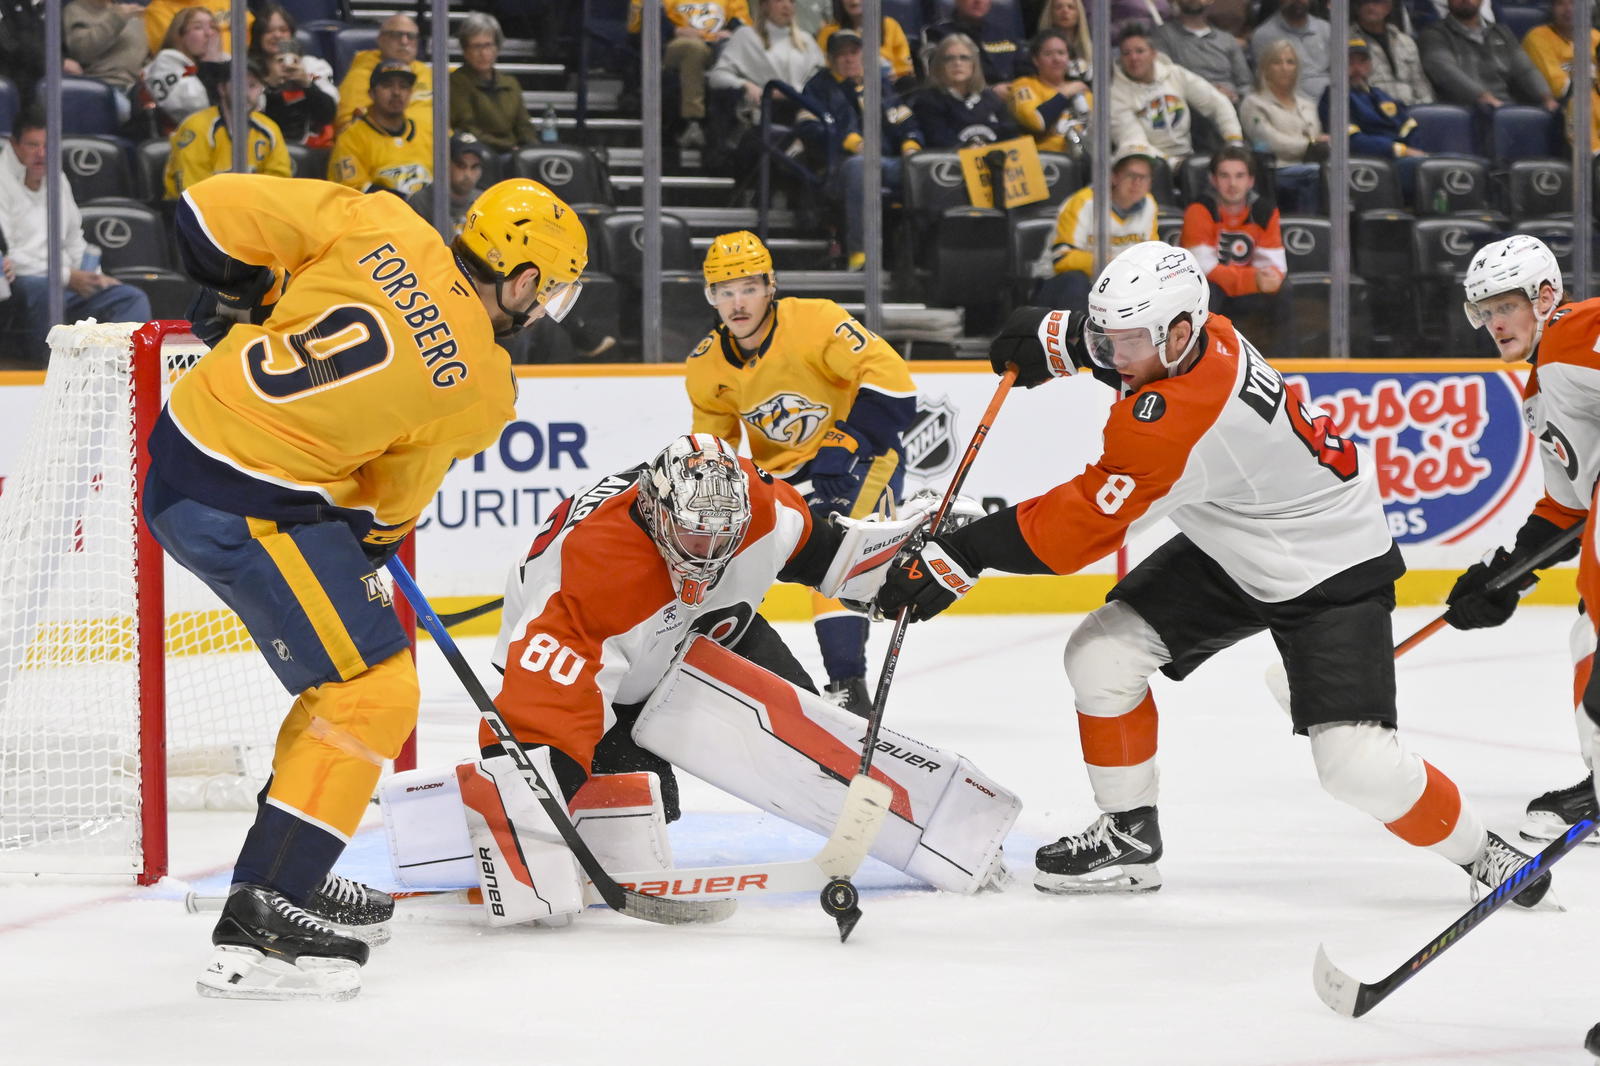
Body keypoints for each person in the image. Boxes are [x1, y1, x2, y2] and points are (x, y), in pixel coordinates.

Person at [870, 240, 1557, 910]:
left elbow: (1080, 528)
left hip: (1328, 564)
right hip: (1241, 539)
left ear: (1177, 332)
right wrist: (1069, 340)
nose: (1118, 356)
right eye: (1111, 338)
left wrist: (963, 551)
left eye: (1127, 342)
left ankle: (1483, 853)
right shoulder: (1208, 332)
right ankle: (1128, 837)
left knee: (1357, 766)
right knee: (1103, 656)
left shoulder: (1175, 424)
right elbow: (1133, 359)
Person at [147, 173, 586, 999]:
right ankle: (265, 910)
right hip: (245, 503)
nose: (544, 307)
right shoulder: (486, 388)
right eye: (550, 289)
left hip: (187, 445)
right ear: (523, 280)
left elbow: (204, 212)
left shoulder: (381, 220)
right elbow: (387, 510)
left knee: (340, 678)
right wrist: (361, 544)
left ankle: (288, 871)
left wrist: (253, 300)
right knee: (374, 686)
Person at [684, 231, 916, 714]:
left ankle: (848, 688)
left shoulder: (816, 321)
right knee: (725, 570)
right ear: (710, 298)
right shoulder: (706, 364)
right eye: (723, 292)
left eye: (747, 287)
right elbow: (715, 453)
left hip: (859, 460)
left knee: (837, 558)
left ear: (771, 286)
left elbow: (893, 384)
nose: (737, 302)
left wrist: (847, 438)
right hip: (784, 479)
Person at [1447, 234, 1599, 846]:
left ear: (1543, 297)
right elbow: (1566, 507)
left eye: (1503, 307)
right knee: (1588, 629)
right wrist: (1505, 574)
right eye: (1483, 313)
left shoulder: (1571, 331)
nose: (1493, 325)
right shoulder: (1543, 389)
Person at [0, 108, 151, 366]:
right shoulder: (2, 182)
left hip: (66, 281)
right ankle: (51, 371)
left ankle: (118, 372)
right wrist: (68, 277)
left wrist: (94, 276)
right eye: (32, 145)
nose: (41, 153)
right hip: (27, 285)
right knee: (44, 291)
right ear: (14, 145)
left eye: (48, 145)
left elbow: (73, 238)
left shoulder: (58, 179)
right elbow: (9, 258)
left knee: (130, 297)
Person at [797, 31, 922, 270]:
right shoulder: (817, 87)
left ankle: (919, 256)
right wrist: (850, 142)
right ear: (830, 59)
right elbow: (808, 128)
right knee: (860, 167)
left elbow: (905, 121)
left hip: (887, 161)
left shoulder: (879, 85)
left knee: (923, 167)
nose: (848, 59)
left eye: (853, 53)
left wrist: (910, 145)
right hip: (839, 166)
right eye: (841, 54)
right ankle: (860, 255)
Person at [1180, 146, 1292, 355]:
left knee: (1283, 289)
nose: (1232, 184)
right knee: (1206, 289)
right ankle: (1200, 359)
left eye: (1239, 176)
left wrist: (1271, 278)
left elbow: (1275, 266)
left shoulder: (1265, 211)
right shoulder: (1199, 210)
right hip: (1214, 291)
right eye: (1225, 176)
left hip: (1244, 291)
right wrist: (1253, 279)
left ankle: (1282, 361)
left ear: (1250, 181)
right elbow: (1202, 268)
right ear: (1213, 179)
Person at [1035, 141, 1159, 308]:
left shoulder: (1150, 205)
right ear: (1114, 176)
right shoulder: (1083, 203)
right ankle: (1076, 334)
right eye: (1131, 175)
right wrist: (1115, 264)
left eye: (1144, 177)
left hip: (1115, 286)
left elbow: (1151, 254)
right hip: (1059, 286)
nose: (1137, 183)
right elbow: (1061, 259)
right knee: (1075, 281)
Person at [1109, 22, 1241, 166]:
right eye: (1126, 53)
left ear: (1153, 53)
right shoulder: (1115, 94)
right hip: (1149, 163)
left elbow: (1218, 102)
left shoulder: (1175, 73)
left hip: (1187, 157)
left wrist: (1234, 142)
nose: (1133, 58)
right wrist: (1173, 163)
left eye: (1140, 51)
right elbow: (1135, 144)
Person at [628, 0, 751, 149]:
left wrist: (733, 32)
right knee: (693, 48)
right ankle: (693, 121)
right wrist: (675, 30)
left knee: (734, 47)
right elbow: (641, 23)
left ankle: (737, 116)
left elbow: (741, 22)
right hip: (672, 42)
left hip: (714, 44)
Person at [164, 58, 291, 198]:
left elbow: (280, 185)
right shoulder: (197, 127)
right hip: (192, 215)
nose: (245, 94)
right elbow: (192, 192)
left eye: (253, 86)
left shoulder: (269, 129)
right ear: (222, 89)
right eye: (239, 86)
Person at [1419, 0, 1556, 113]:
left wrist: (1546, 98)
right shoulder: (1433, 35)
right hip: (1463, 112)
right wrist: (1483, 97)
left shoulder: (1502, 33)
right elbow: (1445, 72)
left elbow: (1525, 70)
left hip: (1505, 109)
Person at [328, 61, 433, 197]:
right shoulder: (350, 138)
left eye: (403, 86)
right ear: (371, 93)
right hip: (379, 214)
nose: (396, 92)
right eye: (387, 85)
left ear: (411, 93)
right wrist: (406, 202)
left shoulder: (427, 132)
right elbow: (351, 192)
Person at [910, 32, 1020, 149]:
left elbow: (1012, 136)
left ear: (974, 63)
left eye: (964, 58)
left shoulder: (992, 99)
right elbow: (939, 142)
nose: (957, 63)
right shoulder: (928, 101)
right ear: (939, 65)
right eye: (949, 58)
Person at [250, 3, 337, 145]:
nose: (277, 35)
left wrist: (307, 85)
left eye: (283, 30)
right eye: (269, 31)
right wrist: (271, 84)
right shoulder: (247, 71)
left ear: (291, 34)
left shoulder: (314, 66)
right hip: (259, 144)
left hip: (309, 149)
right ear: (259, 36)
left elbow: (328, 115)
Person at [449, 12, 537, 152]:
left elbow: (524, 126)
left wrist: (530, 148)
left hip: (514, 153)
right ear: (465, 50)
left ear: (497, 48)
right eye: (476, 46)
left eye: (488, 45)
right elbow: (467, 128)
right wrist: (509, 147)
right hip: (475, 152)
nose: (483, 53)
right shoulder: (456, 82)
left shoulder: (510, 83)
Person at [334, 13, 433, 133]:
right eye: (396, 35)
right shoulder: (360, 76)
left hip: (437, 145)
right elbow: (347, 128)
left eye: (411, 36)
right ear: (380, 40)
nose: (404, 41)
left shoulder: (428, 73)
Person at [1522, 0, 1600, 151]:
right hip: (1565, 108)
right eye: (1560, 3)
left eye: (1573, 3)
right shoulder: (1537, 37)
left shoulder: (1596, 37)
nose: (1568, 9)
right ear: (1551, 8)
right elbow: (1559, 88)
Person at [1151, 0, 1252, 106]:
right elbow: (1165, 79)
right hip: (1189, 105)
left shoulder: (1227, 40)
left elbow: (1245, 84)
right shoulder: (1162, 36)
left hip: (1232, 103)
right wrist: (1210, 92)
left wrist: (1235, 97)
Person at [1009, 29, 1092, 155]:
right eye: (1048, 54)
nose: (1056, 59)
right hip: (1043, 159)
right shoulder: (1024, 85)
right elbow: (1036, 122)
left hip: (1082, 159)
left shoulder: (1081, 90)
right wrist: (1065, 94)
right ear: (1036, 60)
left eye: (1061, 53)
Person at [63, 0, 149, 121]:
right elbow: (82, 51)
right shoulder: (77, 10)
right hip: (102, 87)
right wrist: (117, 18)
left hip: (136, 88)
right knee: (128, 112)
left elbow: (144, 54)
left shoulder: (134, 13)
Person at [922, 0, 1031, 95]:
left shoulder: (1004, 33)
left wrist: (1018, 88)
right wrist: (988, 92)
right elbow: (938, 81)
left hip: (1016, 98)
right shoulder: (938, 34)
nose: (979, 1)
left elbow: (1026, 71)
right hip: (966, 104)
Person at [143, 6, 225, 129]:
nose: (209, 33)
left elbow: (254, 101)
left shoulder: (226, 60)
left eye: (213, 27)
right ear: (180, 35)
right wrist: (210, 65)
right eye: (198, 27)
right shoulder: (165, 63)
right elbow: (194, 107)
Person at [1251, 0, 1333, 104]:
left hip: (1333, 102)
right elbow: (1266, 82)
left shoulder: (1326, 29)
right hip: (1293, 105)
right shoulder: (1263, 35)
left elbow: (1341, 73)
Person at [817, 0, 914, 88]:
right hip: (845, 92)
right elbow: (826, 69)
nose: (854, 1)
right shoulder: (828, 33)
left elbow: (904, 68)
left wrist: (891, 75)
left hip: (888, 88)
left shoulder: (890, 25)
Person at [406, 132, 487, 234]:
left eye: (474, 167)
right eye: (461, 166)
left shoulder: (484, 202)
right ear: (446, 164)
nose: (468, 174)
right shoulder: (421, 201)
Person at [1354, 0, 1433, 105]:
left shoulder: (1405, 41)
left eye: (1377, 2)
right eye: (1365, 2)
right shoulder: (1346, 42)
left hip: (1412, 110)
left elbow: (1420, 84)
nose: (1370, 6)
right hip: (1373, 112)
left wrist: (1427, 109)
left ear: (1389, 6)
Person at [141, 0, 246, 58]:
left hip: (243, 66)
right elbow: (177, 50)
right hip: (196, 75)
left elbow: (251, 28)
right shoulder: (157, 11)